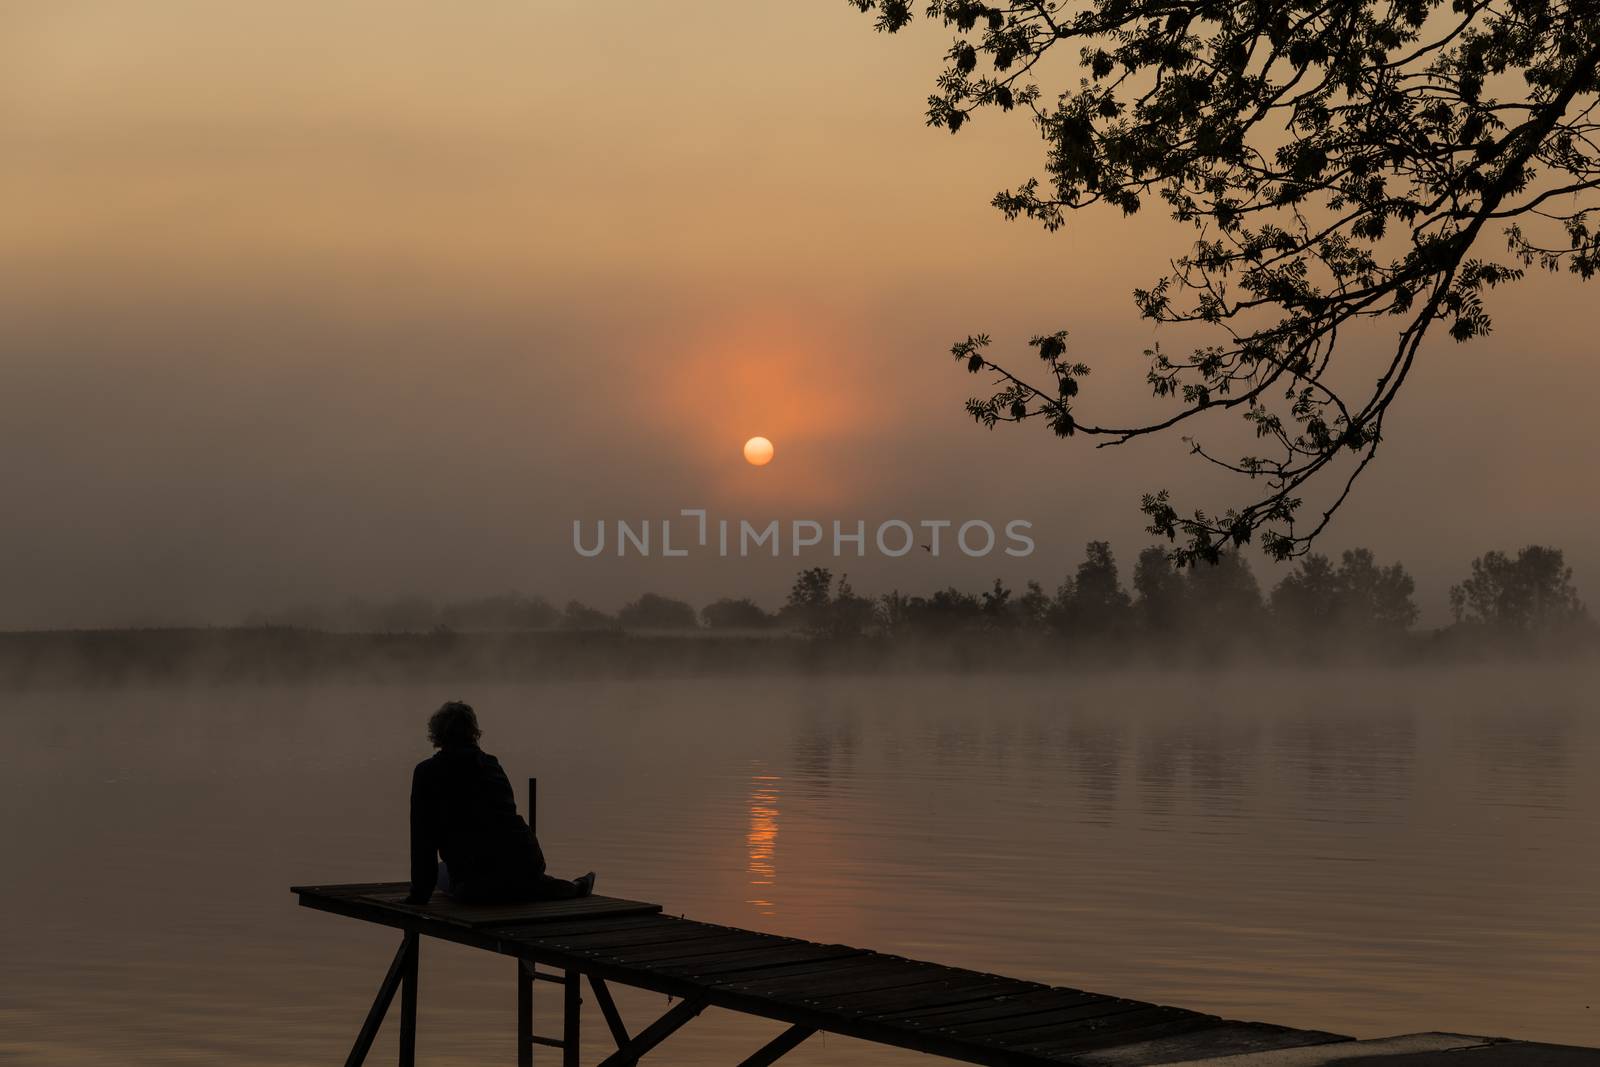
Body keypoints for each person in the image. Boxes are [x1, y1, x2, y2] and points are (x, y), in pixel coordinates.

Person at [405, 701, 595, 906]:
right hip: (526, 861)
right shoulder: (491, 764)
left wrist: (418, 896)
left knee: (445, 873)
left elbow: (422, 841)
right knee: (522, 881)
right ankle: (570, 887)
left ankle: (560, 886)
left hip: (477, 875)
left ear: (437, 734)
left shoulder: (427, 773)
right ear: (473, 732)